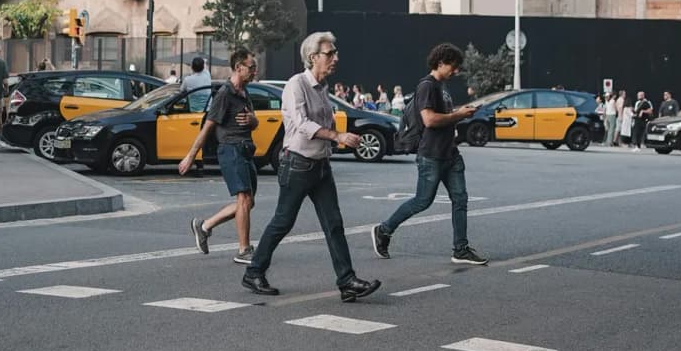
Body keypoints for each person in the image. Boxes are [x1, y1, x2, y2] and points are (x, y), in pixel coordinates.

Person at [242, 31, 380, 301]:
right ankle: (254, 271)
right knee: (283, 221)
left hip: (320, 165)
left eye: (334, 53)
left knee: (334, 223)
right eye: (330, 53)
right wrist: (336, 136)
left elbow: (322, 125)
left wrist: (337, 142)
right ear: (313, 57)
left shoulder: (322, 88)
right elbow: (302, 124)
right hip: (298, 164)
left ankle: (347, 281)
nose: (335, 58)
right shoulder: (297, 84)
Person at [372, 43, 489, 266]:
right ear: (441, 63)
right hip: (432, 154)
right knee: (422, 201)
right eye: (453, 67)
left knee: (460, 199)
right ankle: (383, 230)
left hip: (450, 153)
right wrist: (458, 115)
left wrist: (459, 114)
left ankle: (461, 249)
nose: (456, 71)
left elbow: (443, 117)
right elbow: (429, 119)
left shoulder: (441, 87)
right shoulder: (427, 86)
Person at [178, 48, 260, 264]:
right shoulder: (225, 94)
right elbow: (207, 127)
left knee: (248, 202)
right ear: (238, 67)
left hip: (245, 149)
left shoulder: (243, 92)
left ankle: (204, 226)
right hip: (231, 149)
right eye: (251, 68)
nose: (254, 72)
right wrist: (191, 155)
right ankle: (244, 250)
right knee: (243, 198)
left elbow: (254, 121)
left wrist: (253, 121)